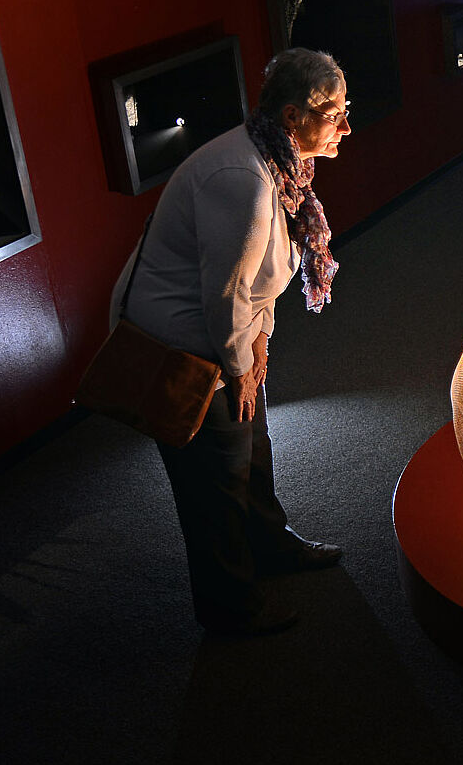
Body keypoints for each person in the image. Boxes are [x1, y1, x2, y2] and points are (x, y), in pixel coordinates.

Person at [124, 48, 351, 635]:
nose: (346, 127)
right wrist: (237, 366)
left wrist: (261, 345)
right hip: (185, 346)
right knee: (216, 480)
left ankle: (270, 547)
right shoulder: (245, 180)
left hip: (227, 335)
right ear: (294, 116)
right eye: (335, 114)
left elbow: (264, 278)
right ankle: (231, 608)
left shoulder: (281, 168)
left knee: (251, 450)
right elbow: (224, 294)